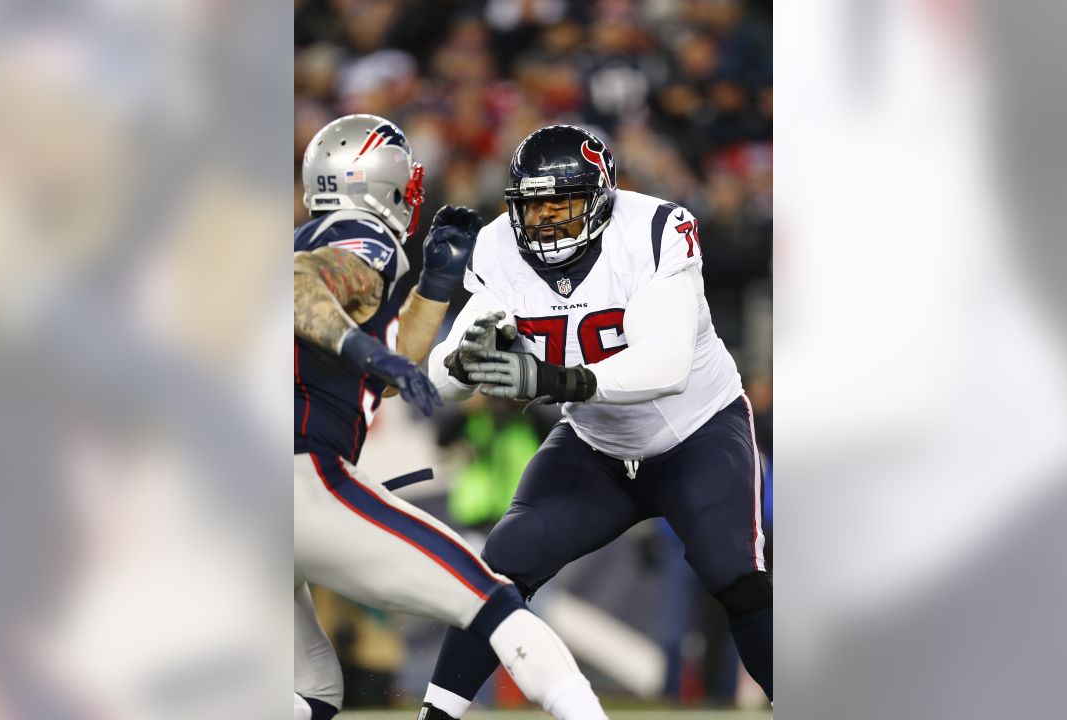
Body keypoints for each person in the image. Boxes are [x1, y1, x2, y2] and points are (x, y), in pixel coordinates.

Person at [419, 125, 773, 719]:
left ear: (602, 198)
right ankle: (436, 716)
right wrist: (465, 359)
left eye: (562, 202)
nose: (548, 218)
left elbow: (667, 364)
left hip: (697, 432)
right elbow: (439, 383)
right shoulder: (498, 247)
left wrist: (556, 381)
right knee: (501, 564)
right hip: (596, 442)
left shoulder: (652, 230)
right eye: (534, 205)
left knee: (732, 571)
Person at [292, 114, 607, 720]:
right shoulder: (363, 234)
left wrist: (435, 286)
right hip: (303, 482)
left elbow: (379, 373)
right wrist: (364, 348)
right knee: (496, 605)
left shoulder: (316, 234)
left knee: (314, 690)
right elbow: (300, 292)